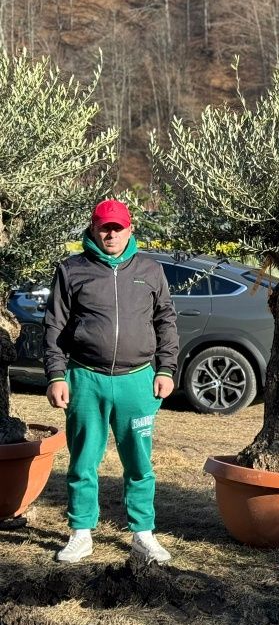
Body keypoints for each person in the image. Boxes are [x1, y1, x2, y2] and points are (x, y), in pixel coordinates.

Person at [43, 199, 179, 564]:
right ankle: (81, 532)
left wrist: (166, 368)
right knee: (84, 459)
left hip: (138, 381)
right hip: (86, 379)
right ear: (93, 228)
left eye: (118, 227)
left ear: (130, 229)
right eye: (105, 227)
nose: (111, 234)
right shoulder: (72, 270)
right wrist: (57, 375)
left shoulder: (150, 270)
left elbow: (165, 320)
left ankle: (143, 533)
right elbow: (54, 326)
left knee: (139, 461)